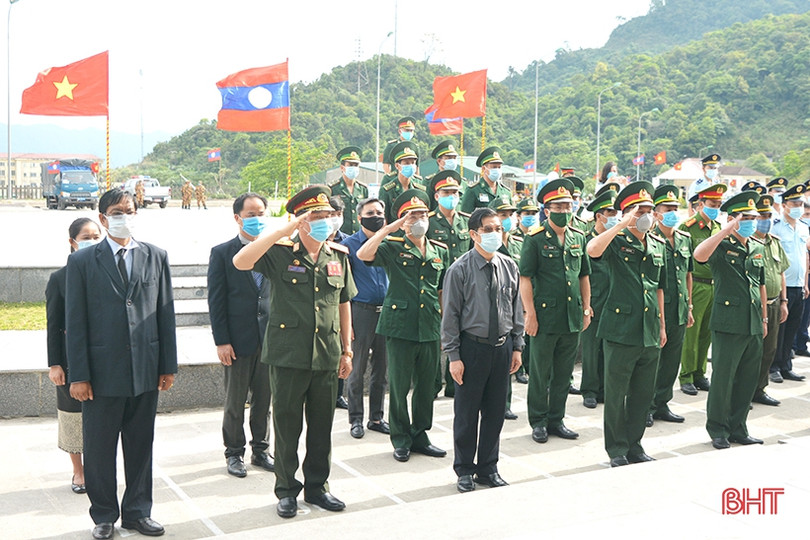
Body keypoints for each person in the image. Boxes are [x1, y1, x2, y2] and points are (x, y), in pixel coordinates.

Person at [232, 185, 356, 518]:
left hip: (327, 355)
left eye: (327, 216)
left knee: (321, 428)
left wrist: (347, 349)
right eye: (315, 217)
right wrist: (282, 231)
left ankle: (318, 487)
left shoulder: (338, 256)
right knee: (287, 428)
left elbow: (344, 303)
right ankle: (286, 490)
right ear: (300, 221)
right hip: (288, 356)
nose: (324, 222)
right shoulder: (281, 252)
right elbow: (241, 261)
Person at [66, 188, 177, 539]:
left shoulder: (155, 256)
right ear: (102, 218)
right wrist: (79, 375)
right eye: (116, 211)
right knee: (99, 451)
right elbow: (76, 322)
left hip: (144, 370)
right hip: (100, 375)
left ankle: (137, 512)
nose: (123, 216)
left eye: (129, 210)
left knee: (140, 446)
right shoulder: (82, 262)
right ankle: (103, 516)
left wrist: (168, 365)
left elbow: (165, 313)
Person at [357, 189, 450, 463]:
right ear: (403, 221)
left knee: (427, 386)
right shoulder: (393, 246)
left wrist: (446, 327)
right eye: (413, 216)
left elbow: (442, 290)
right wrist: (390, 229)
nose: (420, 219)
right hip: (399, 326)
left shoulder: (439, 251)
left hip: (430, 325)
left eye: (423, 215)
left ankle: (420, 435)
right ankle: (400, 438)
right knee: (398, 385)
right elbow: (363, 254)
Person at [442, 207, 524, 493]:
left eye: (498, 229)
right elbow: (450, 316)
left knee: (495, 411)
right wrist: (454, 356)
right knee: (466, 413)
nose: (494, 234)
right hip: (471, 348)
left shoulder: (509, 265)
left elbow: (516, 309)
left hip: (501, 347)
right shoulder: (460, 269)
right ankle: (464, 470)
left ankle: (488, 467)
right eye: (488, 229)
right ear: (473, 234)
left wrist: (518, 346)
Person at [586, 181, 667, 467]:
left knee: (643, 393)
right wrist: (621, 225)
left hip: (648, 328)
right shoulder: (616, 240)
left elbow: (659, 287)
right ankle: (617, 449)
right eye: (639, 210)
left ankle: (635, 444)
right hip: (621, 329)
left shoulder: (658, 244)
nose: (646, 215)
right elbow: (593, 250)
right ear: (626, 213)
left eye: (649, 210)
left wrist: (662, 325)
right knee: (616, 392)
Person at [692, 191, 767, 449]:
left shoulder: (757, 246)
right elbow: (699, 256)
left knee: (747, 379)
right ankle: (718, 429)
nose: (751, 221)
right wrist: (725, 231)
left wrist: (765, 318)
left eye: (753, 217)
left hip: (754, 321)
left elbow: (762, 283)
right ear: (733, 218)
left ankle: (739, 427)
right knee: (723, 379)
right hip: (728, 321)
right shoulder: (721, 244)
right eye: (745, 217)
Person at [207, 192, 274, 478]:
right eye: (250, 214)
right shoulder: (222, 253)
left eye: (261, 213)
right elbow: (216, 300)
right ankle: (234, 453)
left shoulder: (274, 249)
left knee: (264, 399)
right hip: (237, 340)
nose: (256, 219)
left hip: (270, 339)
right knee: (235, 402)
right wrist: (221, 341)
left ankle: (261, 449)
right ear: (237, 218)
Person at [520, 178, 591, 444]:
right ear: (547, 210)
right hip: (545, 317)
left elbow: (584, 275)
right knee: (540, 372)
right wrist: (530, 314)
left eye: (568, 206)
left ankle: (556, 419)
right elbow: (525, 278)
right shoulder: (535, 239)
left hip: (571, 316)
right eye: (558, 207)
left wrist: (586, 308)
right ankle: (538, 421)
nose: (564, 211)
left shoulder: (578, 236)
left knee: (564, 372)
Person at [47, 217, 102, 495]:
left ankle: (99, 470)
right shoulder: (59, 278)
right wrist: (55, 363)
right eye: (85, 236)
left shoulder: (106, 272)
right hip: (70, 361)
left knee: (100, 419)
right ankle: (79, 472)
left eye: (96, 235)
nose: (91, 241)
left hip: (103, 358)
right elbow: (54, 324)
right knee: (72, 416)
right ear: (72, 242)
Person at [342, 198, 391, 439]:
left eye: (379, 212)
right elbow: (344, 286)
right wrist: (347, 321)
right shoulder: (349, 246)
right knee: (357, 368)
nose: (376, 216)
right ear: (360, 218)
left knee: (381, 370)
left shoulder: (390, 242)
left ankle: (376, 417)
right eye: (371, 212)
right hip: (361, 312)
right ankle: (356, 419)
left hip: (387, 313)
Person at [647, 186, 694, 427]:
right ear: (656, 213)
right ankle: (646, 405)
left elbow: (687, 275)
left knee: (672, 360)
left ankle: (663, 403)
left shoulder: (685, 238)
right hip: (657, 310)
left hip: (679, 308)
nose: (673, 213)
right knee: (653, 360)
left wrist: (690, 306)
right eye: (668, 209)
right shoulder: (651, 240)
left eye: (676, 209)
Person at [678, 183, 727, 395]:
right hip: (696, 283)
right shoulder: (688, 227)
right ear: (700, 204)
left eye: (718, 204)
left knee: (706, 332)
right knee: (692, 332)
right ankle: (687, 375)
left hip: (713, 285)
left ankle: (700, 373)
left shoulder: (718, 227)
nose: (715, 207)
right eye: (712, 204)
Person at [426, 170, 471, 398]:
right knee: (438, 336)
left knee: (461, 334)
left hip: (464, 287)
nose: (451, 196)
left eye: (454, 192)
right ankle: (433, 385)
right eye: (446, 192)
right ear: (436, 195)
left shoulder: (466, 221)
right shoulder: (430, 222)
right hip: (437, 287)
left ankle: (454, 384)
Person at [747, 190, 789, 406]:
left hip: (774, 304)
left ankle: (759, 389)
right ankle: (744, 391)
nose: (766, 221)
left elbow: (781, 272)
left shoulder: (774, 242)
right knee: (752, 352)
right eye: (761, 217)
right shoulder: (747, 242)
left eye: (768, 217)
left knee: (769, 350)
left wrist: (784, 302)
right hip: (754, 306)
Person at [579, 184, 619, 409]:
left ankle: (605, 388)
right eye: (610, 213)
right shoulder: (586, 240)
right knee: (592, 348)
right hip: (594, 300)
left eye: (616, 213)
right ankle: (590, 389)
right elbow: (580, 274)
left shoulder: (616, 239)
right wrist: (585, 304)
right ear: (599, 216)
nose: (614, 217)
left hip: (613, 301)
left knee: (609, 348)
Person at [487, 196, 524, 419]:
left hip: (511, 307)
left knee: (508, 359)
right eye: (502, 215)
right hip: (491, 311)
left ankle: (505, 404)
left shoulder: (519, 243)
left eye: (510, 215)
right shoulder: (489, 245)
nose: (507, 220)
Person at [769, 183, 810, 383]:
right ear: (784, 205)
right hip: (780, 286)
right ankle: (774, 366)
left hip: (799, 285)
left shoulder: (803, 228)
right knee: (779, 329)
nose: (798, 207)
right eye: (794, 203)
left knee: (792, 327)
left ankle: (786, 365)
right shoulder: (775, 226)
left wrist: (806, 283)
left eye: (801, 203)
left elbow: (804, 256)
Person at [327, 196, 350, 409]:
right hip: (324, 306)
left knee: (345, 349)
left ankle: (339, 394)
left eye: (338, 215)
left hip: (344, 304)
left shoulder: (347, 243)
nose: (334, 219)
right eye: (330, 215)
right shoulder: (315, 239)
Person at [379, 141, 427, 225]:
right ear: (397, 166)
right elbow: (384, 218)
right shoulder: (387, 190)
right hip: (395, 235)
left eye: (413, 163)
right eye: (406, 163)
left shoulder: (419, 187)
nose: (411, 165)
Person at [460, 146, 512, 214]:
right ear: (484, 169)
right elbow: (465, 216)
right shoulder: (473, 190)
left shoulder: (506, 192)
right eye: (494, 167)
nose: (497, 170)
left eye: (499, 167)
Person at [329, 146, 368, 235]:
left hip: (358, 235)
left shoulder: (363, 189)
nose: (353, 167)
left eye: (356, 165)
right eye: (350, 165)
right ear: (342, 167)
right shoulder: (333, 188)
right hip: (339, 235)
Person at [425, 141, 460, 211]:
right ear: (439, 161)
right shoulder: (429, 181)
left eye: (454, 157)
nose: (452, 160)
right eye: (449, 158)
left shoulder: (461, 182)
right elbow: (427, 206)